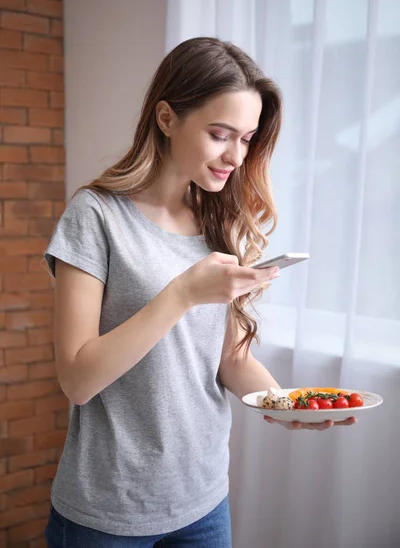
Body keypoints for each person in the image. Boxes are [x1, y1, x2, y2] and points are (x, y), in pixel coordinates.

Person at [43, 37, 356, 548]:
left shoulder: (218, 218)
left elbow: (228, 359)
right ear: (166, 118)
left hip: (203, 502)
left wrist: (285, 402)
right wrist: (183, 293)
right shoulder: (95, 215)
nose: (236, 156)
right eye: (220, 134)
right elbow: (78, 379)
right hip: (107, 512)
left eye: (248, 138)